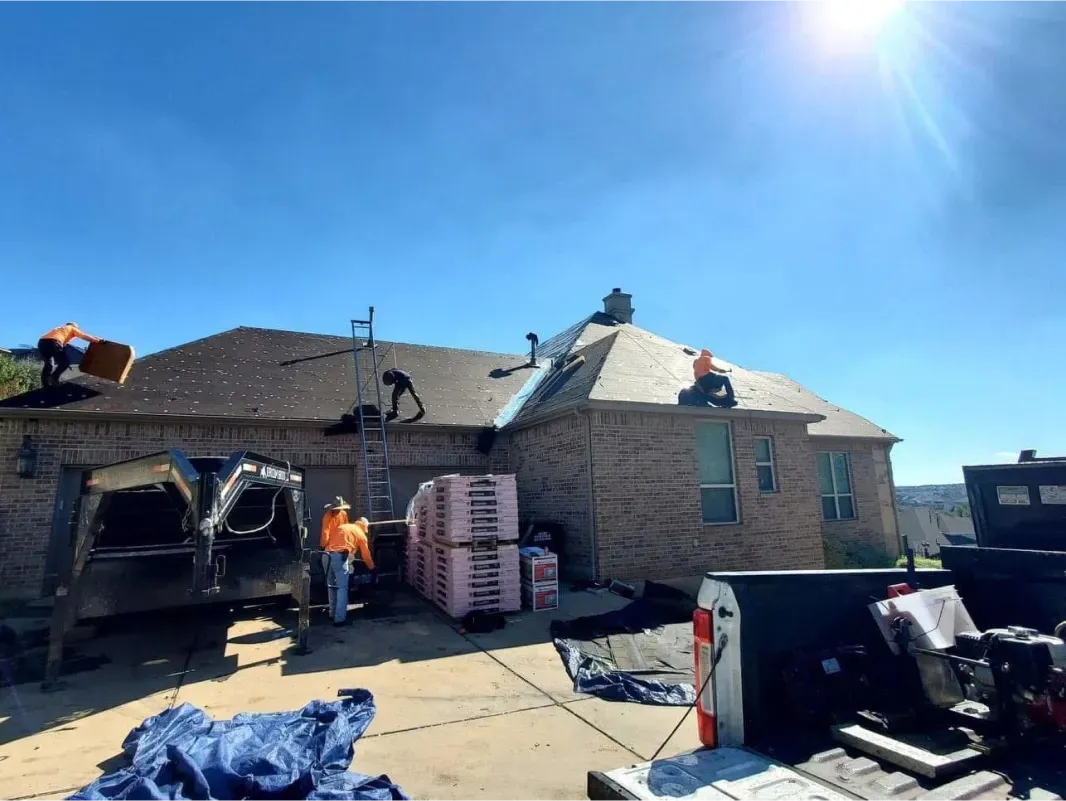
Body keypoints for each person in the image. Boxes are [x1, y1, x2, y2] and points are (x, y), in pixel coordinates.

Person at [38, 322, 101, 388]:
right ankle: (54, 378)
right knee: (65, 362)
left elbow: (63, 346)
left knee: (49, 364)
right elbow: (83, 336)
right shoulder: (72, 328)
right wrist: (97, 341)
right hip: (53, 342)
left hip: (42, 343)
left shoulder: (60, 329)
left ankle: (45, 384)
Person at [319, 497, 350, 624]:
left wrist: (322, 549)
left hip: (327, 552)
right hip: (339, 553)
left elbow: (325, 536)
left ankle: (332, 612)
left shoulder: (328, 516)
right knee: (342, 587)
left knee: (331, 585)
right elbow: (346, 533)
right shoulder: (342, 515)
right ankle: (339, 618)